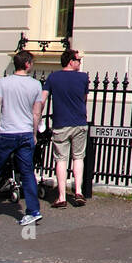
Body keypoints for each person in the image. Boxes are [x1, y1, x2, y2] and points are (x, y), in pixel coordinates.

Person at [0, 51, 46, 226]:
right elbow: (36, 113)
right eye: (32, 62)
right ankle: (33, 211)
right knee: (27, 173)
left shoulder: (3, 83)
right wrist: (34, 134)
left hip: (6, 133)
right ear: (27, 64)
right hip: (25, 133)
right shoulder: (35, 85)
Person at [44, 48, 88, 208]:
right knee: (78, 157)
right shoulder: (83, 78)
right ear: (71, 61)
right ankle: (78, 191)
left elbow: (43, 98)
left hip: (61, 122)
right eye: (78, 60)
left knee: (61, 159)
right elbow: (83, 99)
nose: (79, 63)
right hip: (79, 122)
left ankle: (62, 196)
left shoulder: (53, 77)